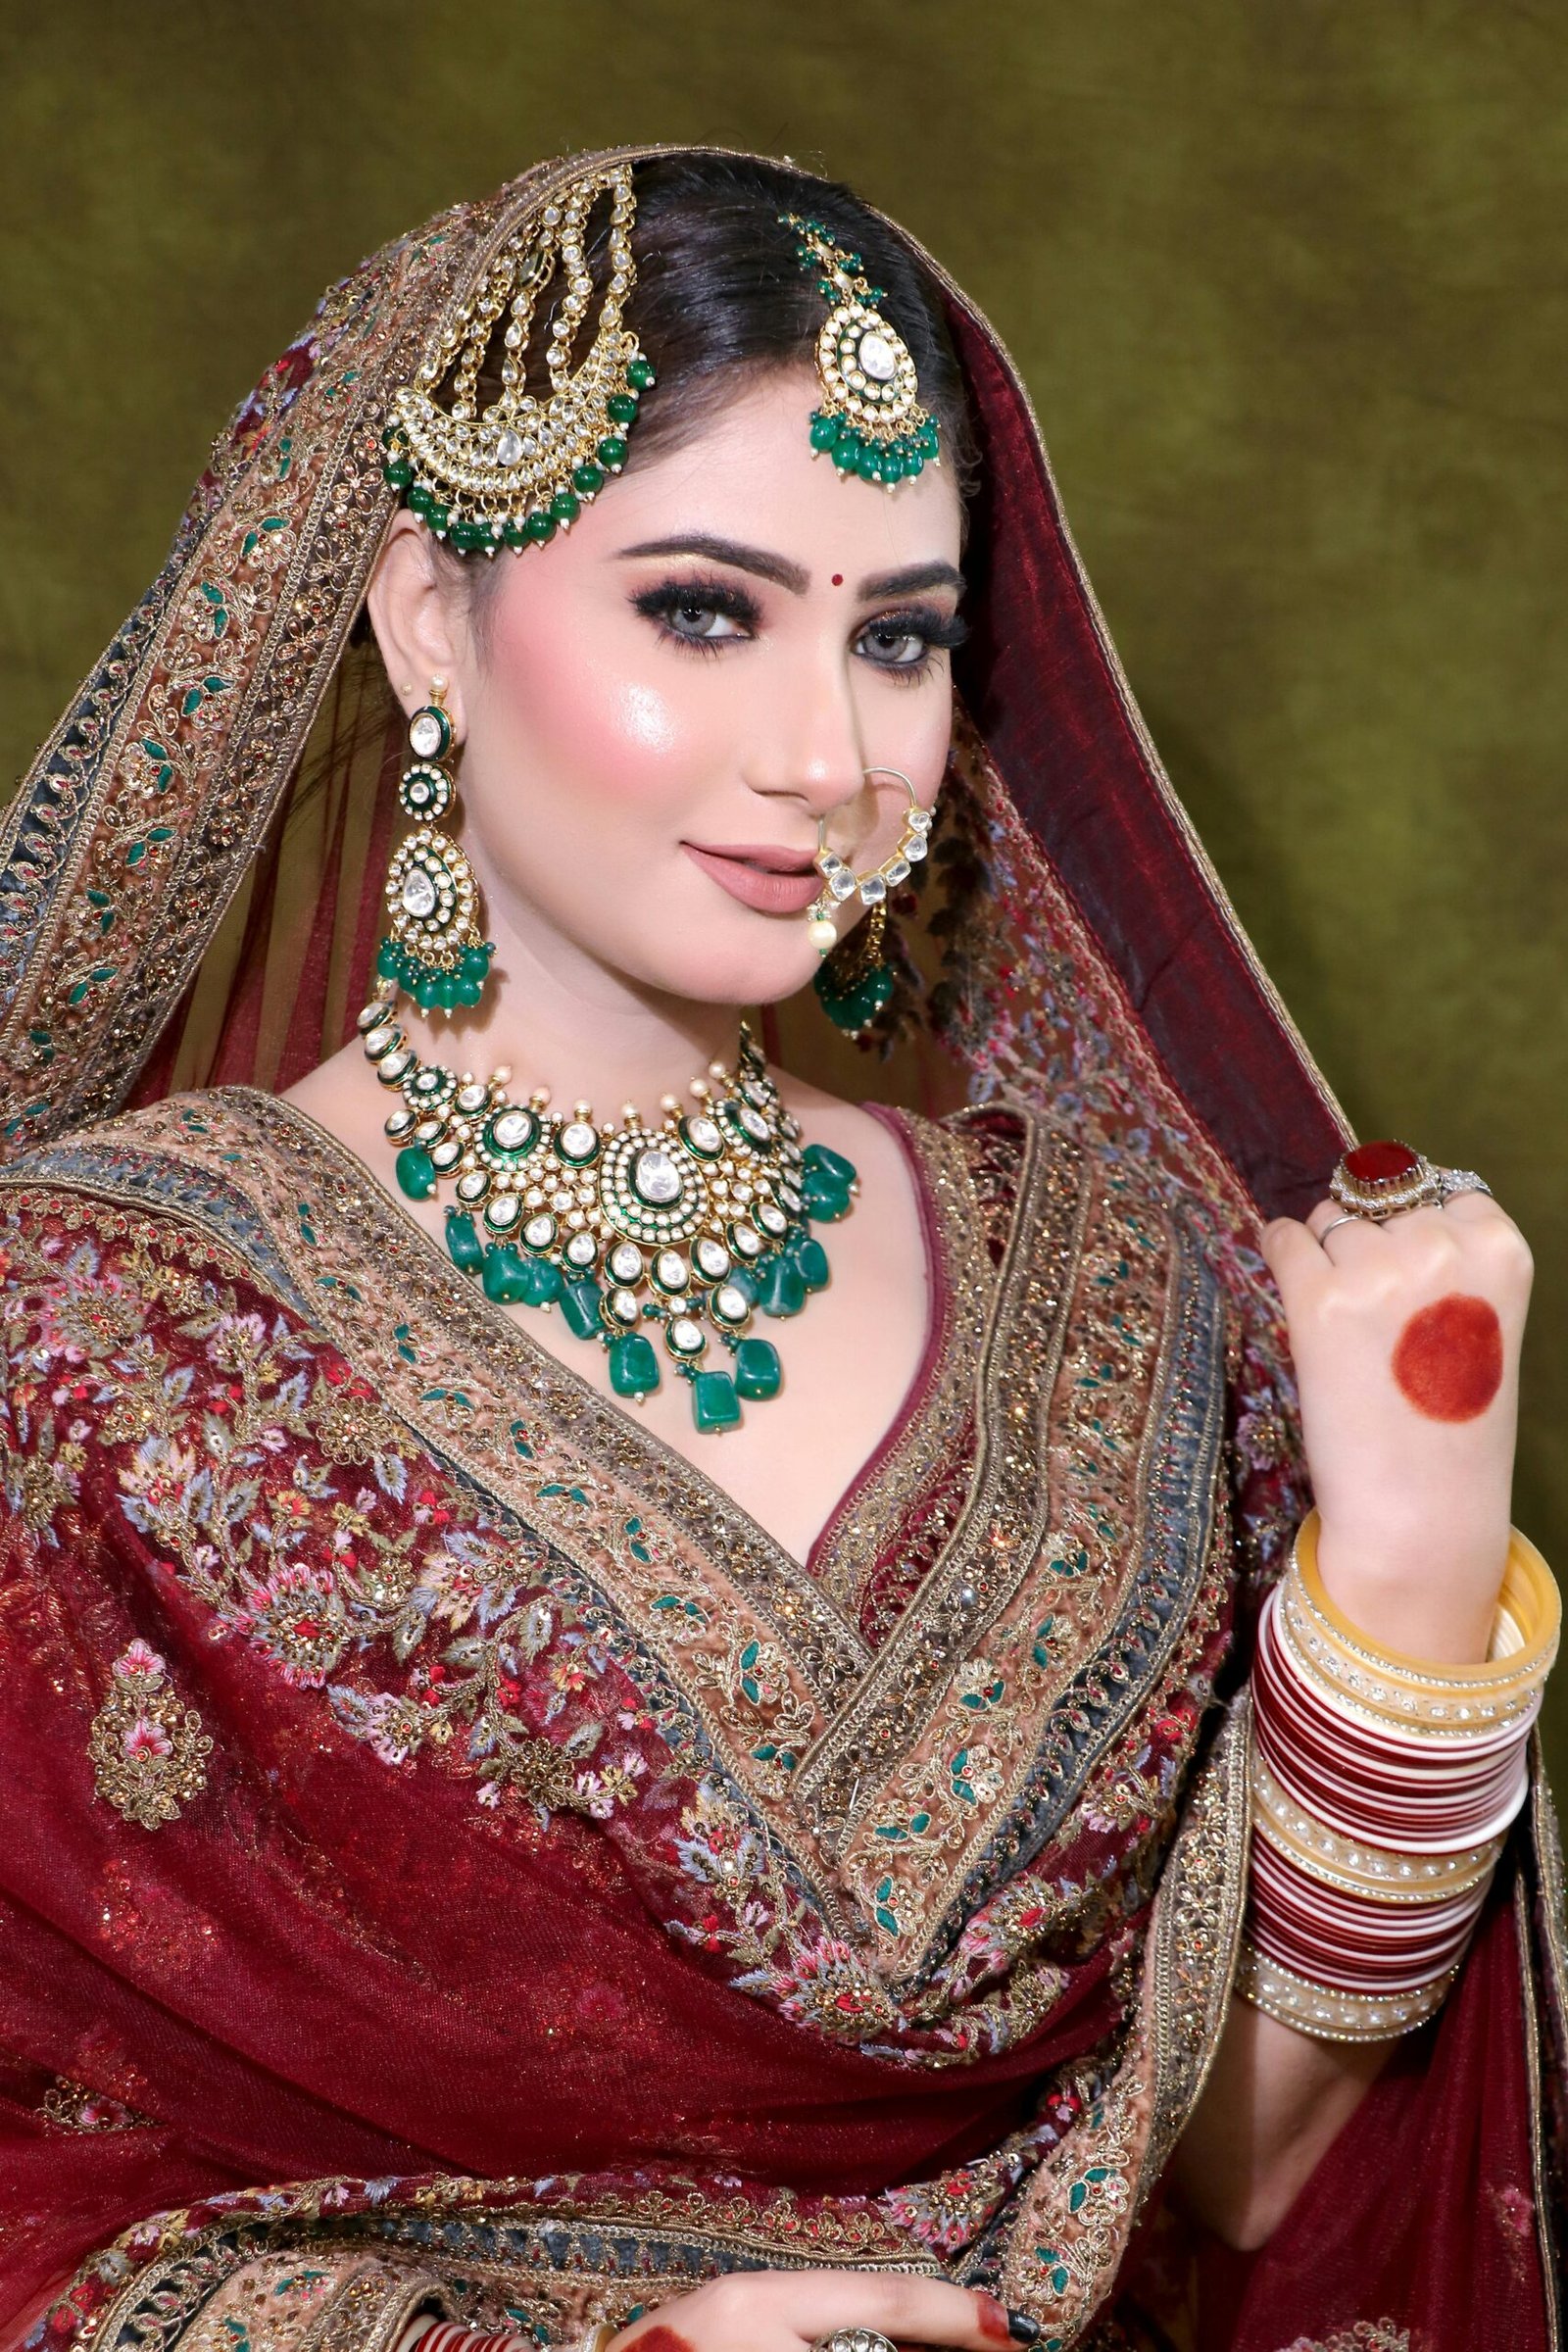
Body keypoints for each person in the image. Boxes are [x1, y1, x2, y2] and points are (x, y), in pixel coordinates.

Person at [0, 145, 1558, 2352]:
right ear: (427, 609)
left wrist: (1409, 1591)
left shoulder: (1103, 1294)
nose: (828, 756)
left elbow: (1237, 2177)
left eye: (899, 639)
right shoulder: (78, 1336)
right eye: (703, 609)